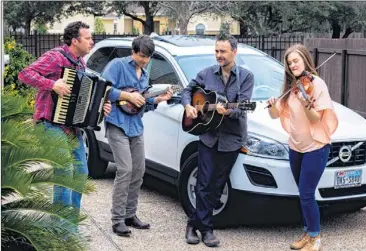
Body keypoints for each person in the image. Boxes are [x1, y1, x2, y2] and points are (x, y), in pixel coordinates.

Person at [18, 21, 112, 215]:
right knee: (65, 172)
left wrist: (102, 108)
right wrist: (52, 85)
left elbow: (83, 100)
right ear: (75, 41)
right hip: (49, 124)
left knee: (80, 173)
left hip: (71, 127)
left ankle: (71, 224)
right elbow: (25, 74)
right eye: (88, 38)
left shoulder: (80, 63)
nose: (92, 42)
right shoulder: (55, 57)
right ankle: (62, 230)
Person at [181, 34, 254, 247]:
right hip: (209, 137)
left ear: (234, 52)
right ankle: (207, 229)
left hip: (231, 139)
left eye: (223, 51)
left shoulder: (246, 77)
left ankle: (193, 223)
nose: (219, 55)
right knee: (203, 182)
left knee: (217, 184)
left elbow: (242, 108)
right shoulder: (206, 74)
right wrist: (188, 105)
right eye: (217, 51)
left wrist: (227, 112)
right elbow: (187, 91)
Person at [266, 44, 338, 251]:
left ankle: (315, 239)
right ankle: (308, 233)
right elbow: (274, 114)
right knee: (303, 194)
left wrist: (307, 104)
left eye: (296, 61)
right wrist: (272, 105)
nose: (292, 65)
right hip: (295, 147)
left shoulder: (317, 84)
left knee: (306, 194)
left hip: (316, 147)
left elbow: (317, 118)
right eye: (289, 63)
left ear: (306, 60)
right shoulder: (291, 87)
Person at [101, 35, 173, 237]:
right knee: (125, 169)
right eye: (141, 55)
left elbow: (140, 105)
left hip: (136, 126)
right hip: (117, 124)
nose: (143, 60)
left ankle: (130, 215)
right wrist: (126, 95)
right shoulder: (117, 65)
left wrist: (159, 99)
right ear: (133, 52)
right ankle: (117, 220)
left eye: (147, 57)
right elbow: (103, 89)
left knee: (139, 170)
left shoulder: (144, 76)